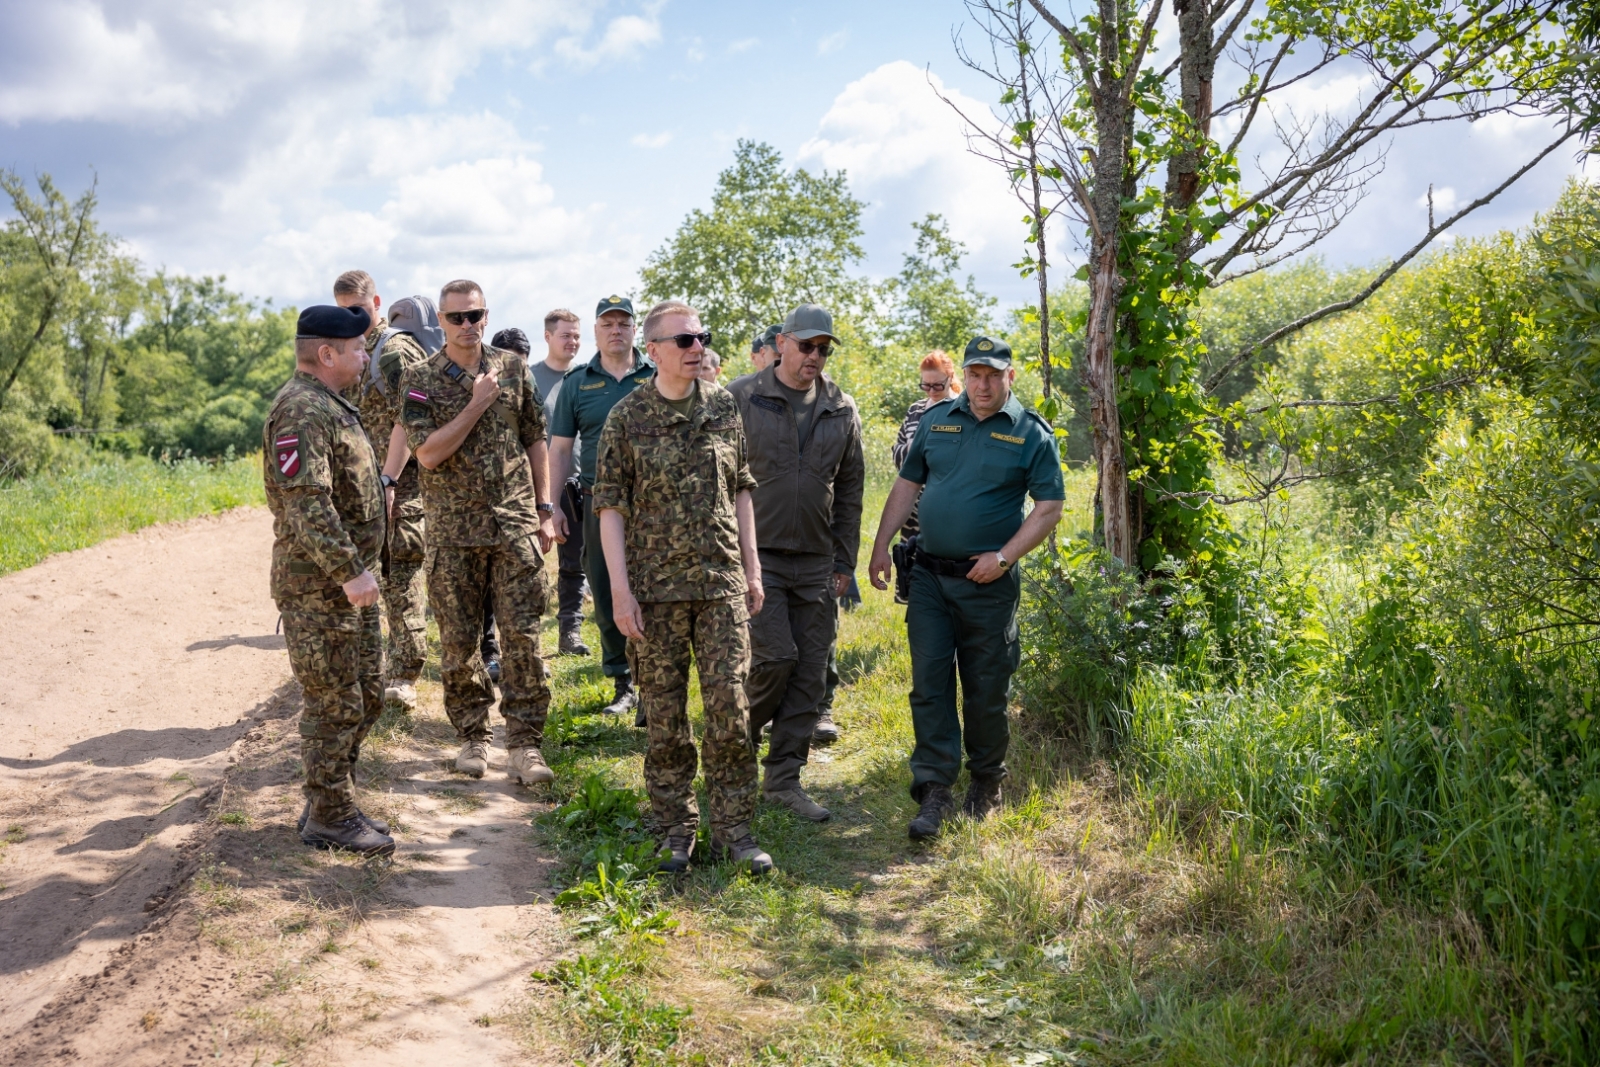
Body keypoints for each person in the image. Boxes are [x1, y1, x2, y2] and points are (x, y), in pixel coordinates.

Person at [593, 299, 772, 874]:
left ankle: (734, 829)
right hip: (654, 591)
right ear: (655, 352)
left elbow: (742, 487)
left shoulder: (723, 405)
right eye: (685, 341)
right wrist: (620, 593)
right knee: (666, 717)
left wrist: (753, 567)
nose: (698, 348)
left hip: (721, 582)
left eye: (702, 338)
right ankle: (676, 827)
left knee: (730, 707)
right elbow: (610, 509)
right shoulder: (627, 418)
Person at [867, 336, 1065, 841]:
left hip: (988, 585)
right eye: (975, 374)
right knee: (929, 684)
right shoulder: (937, 419)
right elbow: (907, 485)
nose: (981, 384)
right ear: (966, 376)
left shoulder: (1031, 433)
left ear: (1009, 378)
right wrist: (879, 545)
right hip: (930, 577)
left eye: (992, 375)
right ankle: (934, 787)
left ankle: (985, 781)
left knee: (985, 687)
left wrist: (1003, 557)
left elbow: (1048, 508)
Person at [399, 280, 558, 785]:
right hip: (453, 532)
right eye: (456, 318)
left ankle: (526, 745)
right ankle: (472, 737)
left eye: (476, 315)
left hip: (513, 525)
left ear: (487, 316)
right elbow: (426, 453)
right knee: (461, 643)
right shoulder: (419, 379)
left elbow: (536, 437)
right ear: (441, 322)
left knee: (523, 638)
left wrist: (545, 508)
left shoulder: (512, 369)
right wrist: (475, 404)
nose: (467, 325)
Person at [263, 304, 394, 856]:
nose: (366, 357)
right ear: (327, 354)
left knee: (365, 694)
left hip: (348, 587)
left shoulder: (331, 404)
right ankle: (329, 815)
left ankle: (330, 798)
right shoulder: (301, 411)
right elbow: (307, 505)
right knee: (334, 703)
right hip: (321, 590)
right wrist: (348, 571)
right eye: (360, 349)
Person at [727, 304, 864, 823]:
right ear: (781, 343)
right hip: (754, 557)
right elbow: (717, 481)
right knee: (775, 659)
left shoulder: (840, 407)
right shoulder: (740, 397)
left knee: (810, 674)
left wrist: (843, 561)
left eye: (823, 349)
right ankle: (732, 747)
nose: (815, 356)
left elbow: (850, 489)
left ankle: (783, 778)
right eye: (806, 346)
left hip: (815, 558)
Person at [331, 272, 435, 713]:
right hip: (365, 485)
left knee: (400, 574)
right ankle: (369, 669)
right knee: (362, 575)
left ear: (375, 301)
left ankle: (405, 674)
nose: (352, 317)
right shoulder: (356, 349)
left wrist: (390, 480)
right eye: (343, 311)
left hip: (401, 485)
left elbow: (410, 416)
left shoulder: (392, 351)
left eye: (358, 308)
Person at [549, 295, 656, 721]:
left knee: (652, 591)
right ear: (596, 331)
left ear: (635, 330)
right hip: (595, 505)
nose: (616, 330)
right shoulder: (577, 383)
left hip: (654, 505)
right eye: (607, 323)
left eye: (623, 323)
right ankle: (623, 682)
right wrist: (552, 506)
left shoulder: (655, 374)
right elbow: (559, 450)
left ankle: (654, 686)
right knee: (608, 587)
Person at [497, 317, 591, 657]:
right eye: (565, 335)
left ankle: (570, 632)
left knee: (575, 562)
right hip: (531, 485)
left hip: (577, 482)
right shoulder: (529, 376)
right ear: (548, 337)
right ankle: (513, 643)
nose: (572, 342)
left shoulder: (585, 379)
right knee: (523, 565)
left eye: (577, 336)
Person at [889, 350, 962, 605]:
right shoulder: (915, 410)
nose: (930, 390)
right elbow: (897, 452)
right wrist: (919, 450)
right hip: (912, 510)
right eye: (925, 385)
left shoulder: (961, 409)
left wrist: (919, 451)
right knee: (912, 575)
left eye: (937, 385)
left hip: (947, 510)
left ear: (950, 377)